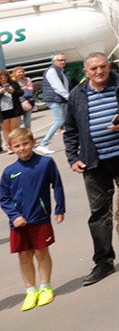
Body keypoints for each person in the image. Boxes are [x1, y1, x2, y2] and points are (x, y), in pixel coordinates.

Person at [64, 52, 119, 284]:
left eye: (102, 67)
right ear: (86, 72)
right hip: (95, 162)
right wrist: (72, 157)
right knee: (99, 212)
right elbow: (70, 129)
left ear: (108, 66)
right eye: (93, 69)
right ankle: (103, 261)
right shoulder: (77, 95)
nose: (99, 72)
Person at [2, 128, 65, 310]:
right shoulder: (9, 171)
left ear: (33, 142)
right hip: (18, 223)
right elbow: (4, 198)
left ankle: (45, 287)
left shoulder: (45, 163)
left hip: (39, 217)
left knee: (41, 252)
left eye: (25, 144)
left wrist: (60, 208)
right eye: (17, 146)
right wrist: (14, 216)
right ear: (11, 148)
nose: (22, 148)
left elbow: (57, 185)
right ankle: (31, 290)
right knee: (24, 256)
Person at [35, 53, 71, 156]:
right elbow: (58, 87)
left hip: (60, 99)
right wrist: (68, 97)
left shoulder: (60, 71)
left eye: (64, 60)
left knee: (65, 121)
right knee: (58, 122)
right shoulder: (52, 71)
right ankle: (43, 144)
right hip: (55, 99)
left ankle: (73, 142)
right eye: (60, 60)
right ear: (54, 61)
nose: (63, 62)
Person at [0, 69, 23, 152]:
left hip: (14, 109)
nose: (3, 79)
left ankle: (16, 145)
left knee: (14, 128)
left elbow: (21, 93)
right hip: (2, 111)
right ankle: (9, 147)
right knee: (6, 129)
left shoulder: (13, 84)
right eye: (1, 78)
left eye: (5, 77)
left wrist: (13, 91)